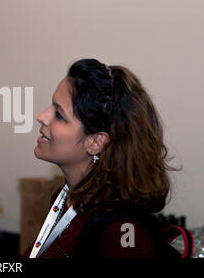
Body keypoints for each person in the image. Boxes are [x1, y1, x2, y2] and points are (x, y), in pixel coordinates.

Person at [26, 58, 179, 258]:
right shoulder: (63, 199)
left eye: (60, 114)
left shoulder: (119, 231)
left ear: (96, 142)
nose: (42, 116)